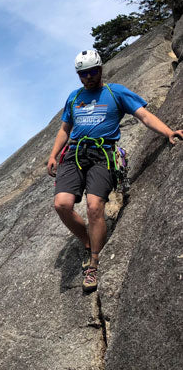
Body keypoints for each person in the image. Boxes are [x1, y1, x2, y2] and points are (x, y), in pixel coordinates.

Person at [47, 49, 183, 292]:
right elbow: (65, 128)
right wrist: (53, 154)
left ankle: (94, 262)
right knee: (62, 204)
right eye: (83, 74)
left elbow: (144, 116)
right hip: (75, 154)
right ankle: (87, 242)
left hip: (102, 155)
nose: (88, 77)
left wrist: (168, 132)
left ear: (101, 69)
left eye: (92, 71)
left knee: (95, 206)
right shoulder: (74, 97)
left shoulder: (115, 92)